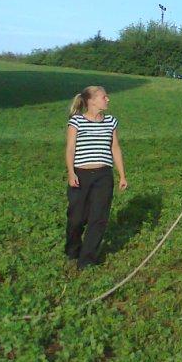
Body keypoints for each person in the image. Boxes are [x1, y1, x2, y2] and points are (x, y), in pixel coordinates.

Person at [65, 86, 127, 269]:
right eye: (104, 97)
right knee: (76, 218)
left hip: (103, 176)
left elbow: (115, 148)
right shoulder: (76, 121)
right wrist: (71, 172)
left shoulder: (111, 121)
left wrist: (122, 175)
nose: (108, 99)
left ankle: (87, 260)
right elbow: (70, 149)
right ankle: (72, 249)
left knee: (98, 218)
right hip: (80, 175)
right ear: (91, 100)